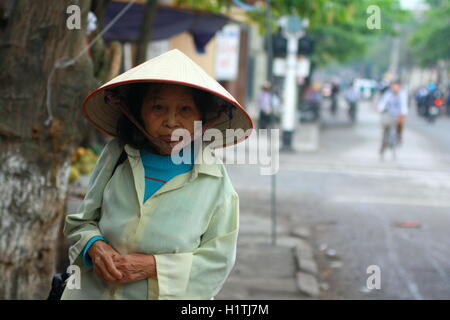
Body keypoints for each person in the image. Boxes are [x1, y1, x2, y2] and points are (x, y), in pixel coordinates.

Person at [61, 49, 254, 300]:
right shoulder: (117, 154)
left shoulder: (216, 183)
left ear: (202, 118)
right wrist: (94, 247)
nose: (171, 122)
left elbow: (217, 263)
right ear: (138, 111)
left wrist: (152, 267)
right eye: (158, 107)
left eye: (185, 109)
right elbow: (82, 222)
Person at [377, 80, 408, 155]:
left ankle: (399, 137)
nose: (395, 88)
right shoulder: (388, 94)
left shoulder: (402, 95)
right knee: (385, 128)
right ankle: (383, 144)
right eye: (393, 86)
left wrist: (403, 114)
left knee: (400, 126)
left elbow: (404, 106)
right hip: (388, 114)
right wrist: (380, 109)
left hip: (398, 115)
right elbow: (382, 103)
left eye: (397, 86)